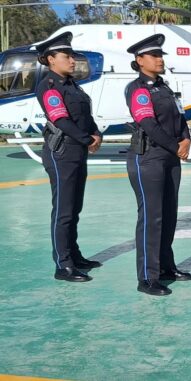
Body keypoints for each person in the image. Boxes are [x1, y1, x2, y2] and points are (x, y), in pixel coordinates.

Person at [124, 34, 191, 296]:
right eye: (154, 55)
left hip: (169, 158)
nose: (160, 59)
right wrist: (175, 145)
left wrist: (186, 138)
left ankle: (166, 267)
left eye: (161, 55)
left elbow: (181, 116)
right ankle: (147, 277)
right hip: (148, 157)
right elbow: (148, 124)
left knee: (168, 215)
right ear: (140, 60)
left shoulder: (164, 88)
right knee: (151, 218)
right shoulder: (137, 89)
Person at [35, 32, 103, 282]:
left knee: (75, 207)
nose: (72, 61)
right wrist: (88, 140)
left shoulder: (72, 85)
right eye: (67, 56)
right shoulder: (49, 86)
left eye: (72, 56)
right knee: (63, 209)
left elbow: (85, 115)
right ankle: (63, 264)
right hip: (61, 152)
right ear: (51, 59)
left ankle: (74, 256)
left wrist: (95, 133)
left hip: (77, 152)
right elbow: (60, 119)